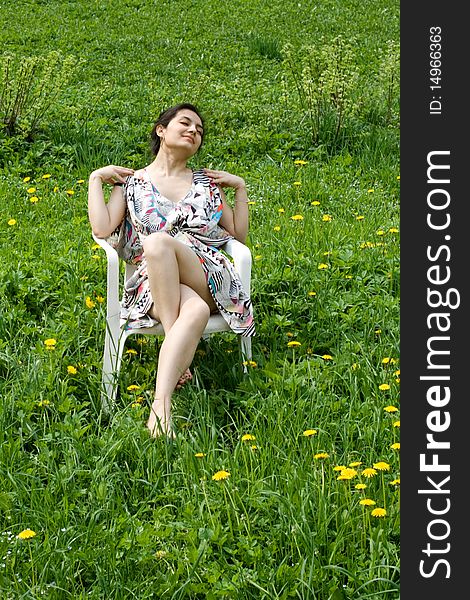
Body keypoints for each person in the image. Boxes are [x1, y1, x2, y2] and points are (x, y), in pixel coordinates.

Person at [88, 103, 255, 437]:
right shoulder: (132, 184)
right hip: (154, 282)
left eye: (200, 130)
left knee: (157, 243)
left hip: (205, 272)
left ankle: (169, 361)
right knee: (191, 310)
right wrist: (95, 179)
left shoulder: (207, 184)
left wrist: (240, 188)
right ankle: (161, 407)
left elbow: (237, 233)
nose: (194, 131)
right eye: (186, 123)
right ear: (161, 130)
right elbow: (102, 227)